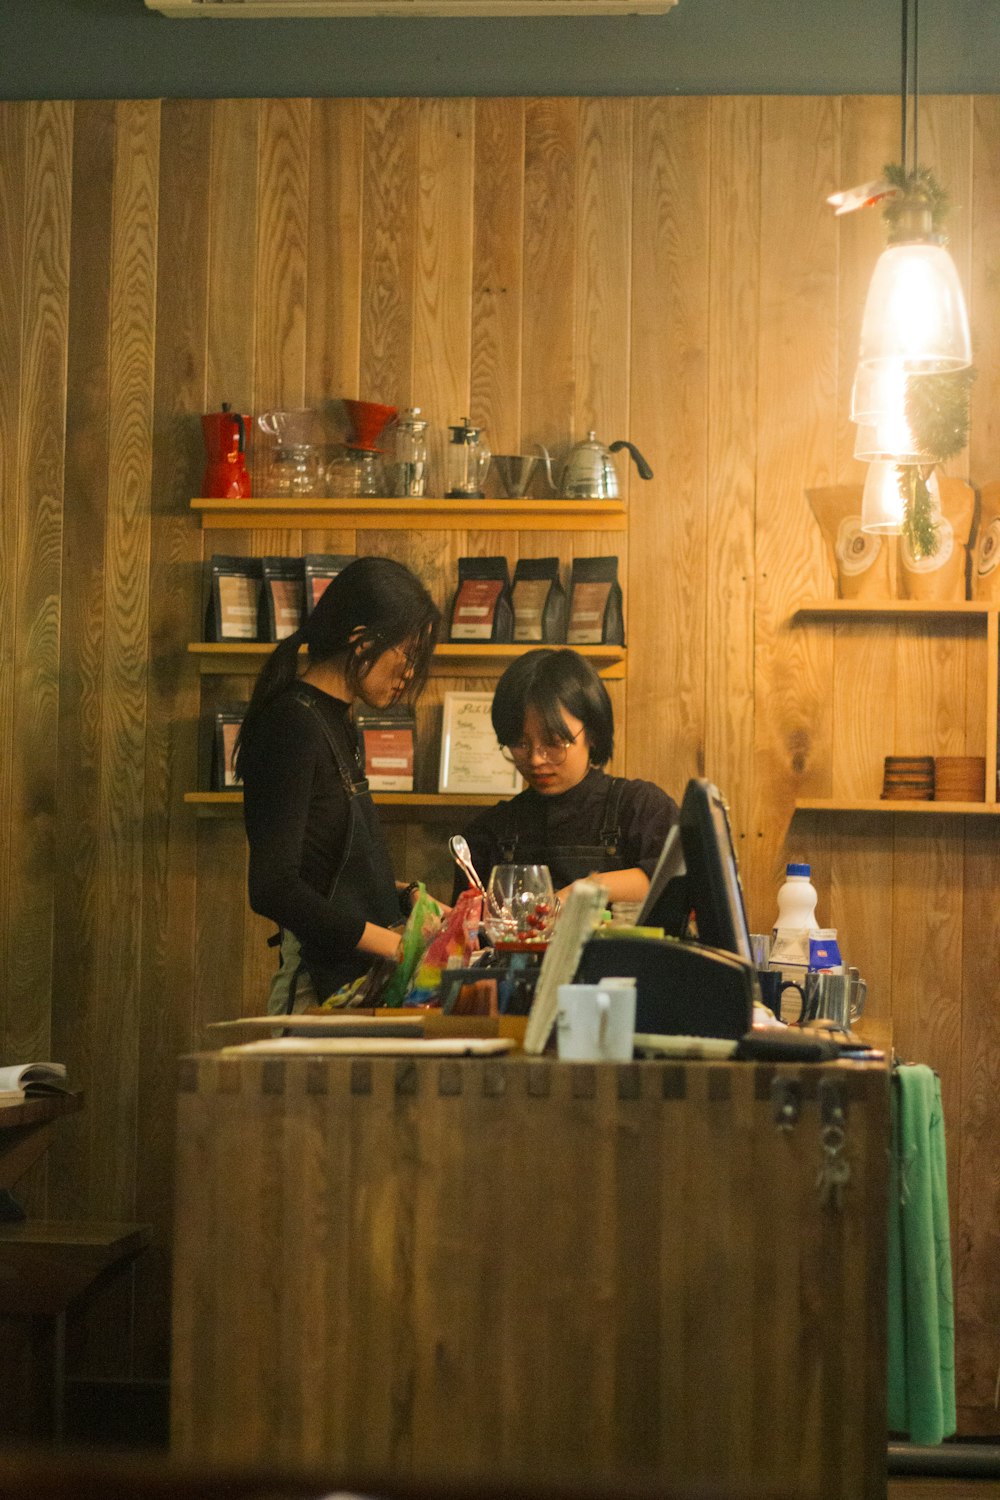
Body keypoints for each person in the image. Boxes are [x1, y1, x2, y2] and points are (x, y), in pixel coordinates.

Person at [235, 555, 440, 1013]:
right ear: (359, 639)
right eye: (408, 654)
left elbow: (330, 871)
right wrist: (394, 947)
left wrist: (407, 897)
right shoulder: (292, 723)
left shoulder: (335, 721)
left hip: (355, 983)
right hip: (315, 991)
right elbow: (273, 887)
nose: (410, 674)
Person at [454, 647, 678, 907]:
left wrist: (583, 890)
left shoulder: (641, 808)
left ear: (592, 733)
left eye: (553, 741)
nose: (536, 759)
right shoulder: (489, 831)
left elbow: (677, 882)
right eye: (520, 744)